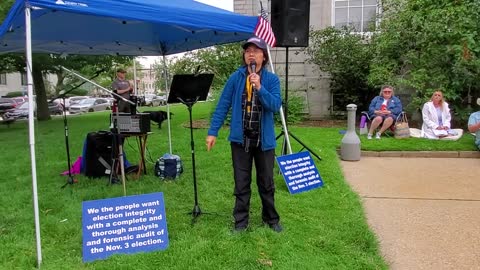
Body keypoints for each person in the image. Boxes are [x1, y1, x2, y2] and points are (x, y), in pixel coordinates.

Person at [206, 36, 283, 233]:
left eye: (256, 51)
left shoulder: (271, 80)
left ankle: (271, 219)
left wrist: (260, 87)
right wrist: (212, 132)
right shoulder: (236, 77)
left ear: (263, 57)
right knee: (241, 183)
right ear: (244, 55)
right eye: (248, 50)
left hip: (263, 141)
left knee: (266, 182)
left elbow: (275, 105)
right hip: (241, 141)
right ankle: (241, 222)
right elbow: (223, 105)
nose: (251, 54)